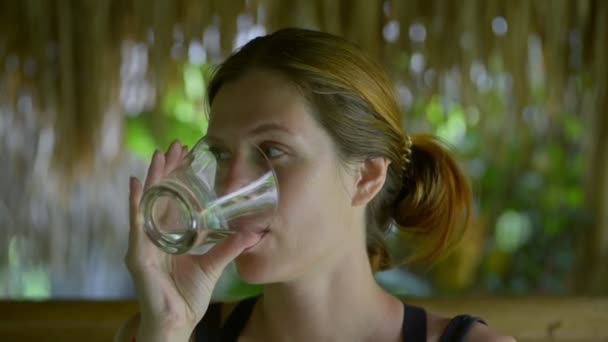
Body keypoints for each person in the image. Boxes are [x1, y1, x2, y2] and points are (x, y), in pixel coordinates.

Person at [116, 28, 515, 342]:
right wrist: (168, 327)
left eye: (272, 151)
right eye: (220, 154)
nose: (230, 183)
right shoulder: (160, 333)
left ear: (366, 177)